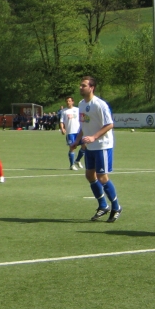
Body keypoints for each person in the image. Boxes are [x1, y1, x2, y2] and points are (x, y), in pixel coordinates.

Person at [73, 76, 121, 222]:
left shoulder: (100, 105)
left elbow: (109, 124)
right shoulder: (81, 104)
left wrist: (94, 137)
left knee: (102, 177)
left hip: (102, 145)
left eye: (84, 85)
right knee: (89, 175)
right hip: (90, 146)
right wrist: (77, 140)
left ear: (92, 88)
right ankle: (103, 205)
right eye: (80, 85)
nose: (81, 88)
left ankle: (116, 207)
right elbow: (83, 125)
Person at [59, 96, 85, 171]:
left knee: (85, 145)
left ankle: (77, 160)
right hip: (70, 132)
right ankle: (72, 165)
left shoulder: (78, 110)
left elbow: (83, 119)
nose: (68, 102)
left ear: (73, 102)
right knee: (72, 148)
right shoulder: (64, 111)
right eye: (67, 101)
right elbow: (61, 121)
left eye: (69, 101)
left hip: (79, 132)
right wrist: (62, 128)